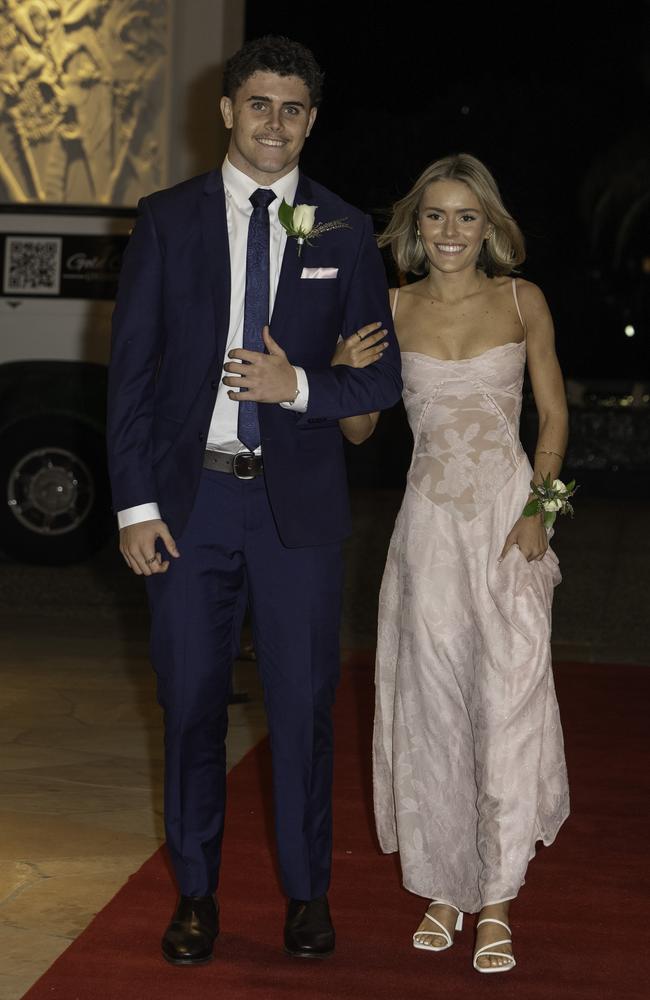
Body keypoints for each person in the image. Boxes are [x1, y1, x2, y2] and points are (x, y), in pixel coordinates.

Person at [106, 35, 402, 965]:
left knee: (305, 708)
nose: (276, 123)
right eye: (260, 104)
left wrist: (299, 387)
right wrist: (135, 508)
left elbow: (377, 382)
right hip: (190, 510)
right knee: (191, 702)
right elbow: (132, 380)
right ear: (227, 111)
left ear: (312, 121)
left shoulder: (347, 229)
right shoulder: (164, 219)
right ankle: (196, 895)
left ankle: (307, 895)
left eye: (294, 109)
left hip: (298, 516)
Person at [336, 153, 570, 973]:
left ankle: (497, 896)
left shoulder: (522, 300)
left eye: (466, 216)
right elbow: (362, 432)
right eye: (435, 215)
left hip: (509, 526)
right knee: (434, 706)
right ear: (413, 226)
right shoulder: (389, 309)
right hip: (428, 531)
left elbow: (551, 417)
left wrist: (541, 512)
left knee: (504, 704)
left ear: (490, 228)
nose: (449, 231)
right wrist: (345, 373)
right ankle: (444, 884)